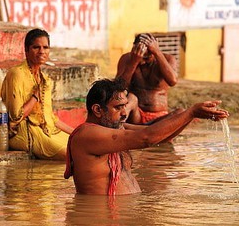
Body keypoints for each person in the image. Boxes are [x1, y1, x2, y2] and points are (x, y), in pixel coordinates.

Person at [64, 77, 229, 195]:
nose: (124, 114)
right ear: (98, 110)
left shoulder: (116, 128)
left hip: (125, 213)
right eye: (117, 107)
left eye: (125, 107)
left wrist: (191, 116)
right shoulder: (87, 134)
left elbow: (160, 138)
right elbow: (146, 138)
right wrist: (190, 111)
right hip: (101, 218)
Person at [1, 28, 73, 160]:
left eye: (45, 47)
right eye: (36, 47)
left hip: (47, 130)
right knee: (71, 157)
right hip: (24, 132)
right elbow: (16, 117)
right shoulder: (16, 74)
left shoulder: (44, 78)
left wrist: (76, 133)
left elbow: (50, 118)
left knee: (82, 147)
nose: (41, 51)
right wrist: (35, 96)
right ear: (27, 51)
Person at [116, 33, 180, 124]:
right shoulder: (127, 59)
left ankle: (147, 130)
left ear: (154, 52)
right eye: (140, 57)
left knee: (180, 112)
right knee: (131, 98)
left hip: (159, 117)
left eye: (146, 58)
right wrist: (134, 61)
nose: (142, 62)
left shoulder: (168, 59)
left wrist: (157, 53)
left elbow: (173, 81)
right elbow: (119, 86)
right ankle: (119, 124)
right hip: (136, 115)